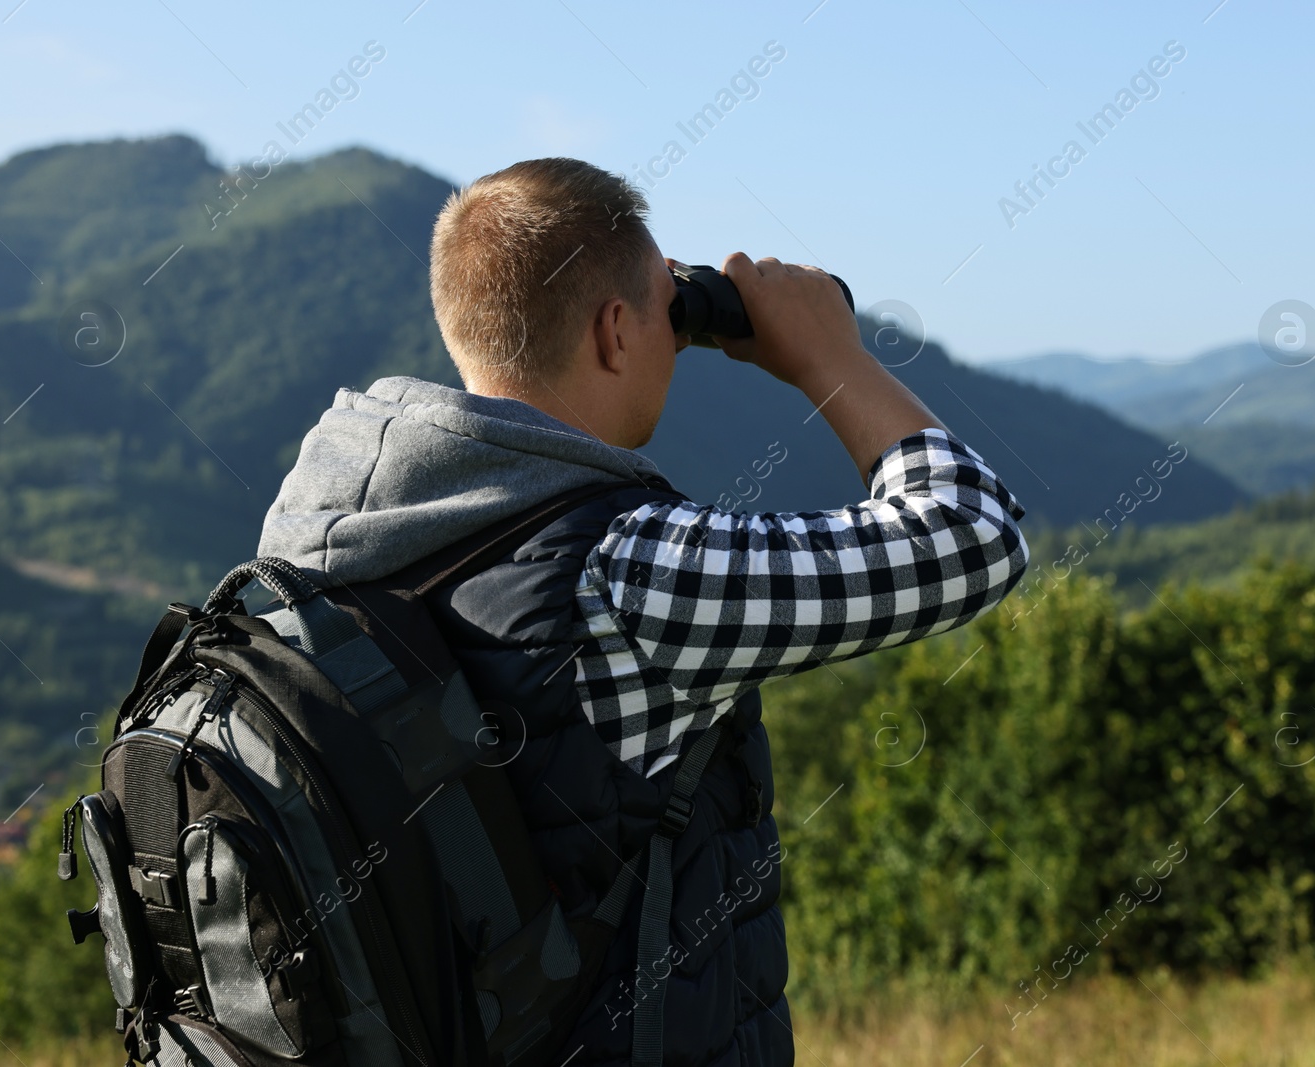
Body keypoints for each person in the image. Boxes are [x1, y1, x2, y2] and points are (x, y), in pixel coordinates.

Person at [258, 157, 1030, 1067]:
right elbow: (972, 536)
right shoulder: (629, 571)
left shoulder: (311, 539)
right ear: (616, 331)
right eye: (667, 311)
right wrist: (832, 355)